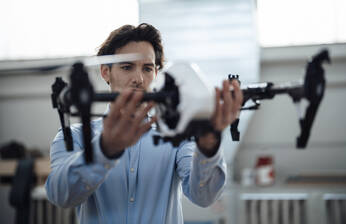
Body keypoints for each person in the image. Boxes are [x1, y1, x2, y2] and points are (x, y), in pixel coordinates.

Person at [45, 23, 242, 224]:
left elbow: (204, 196)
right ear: (105, 72)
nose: (139, 79)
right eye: (127, 67)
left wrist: (209, 146)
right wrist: (104, 149)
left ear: (157, 75)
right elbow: (61, 196)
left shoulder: (176, 133)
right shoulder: (74, 136)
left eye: (147, 68)